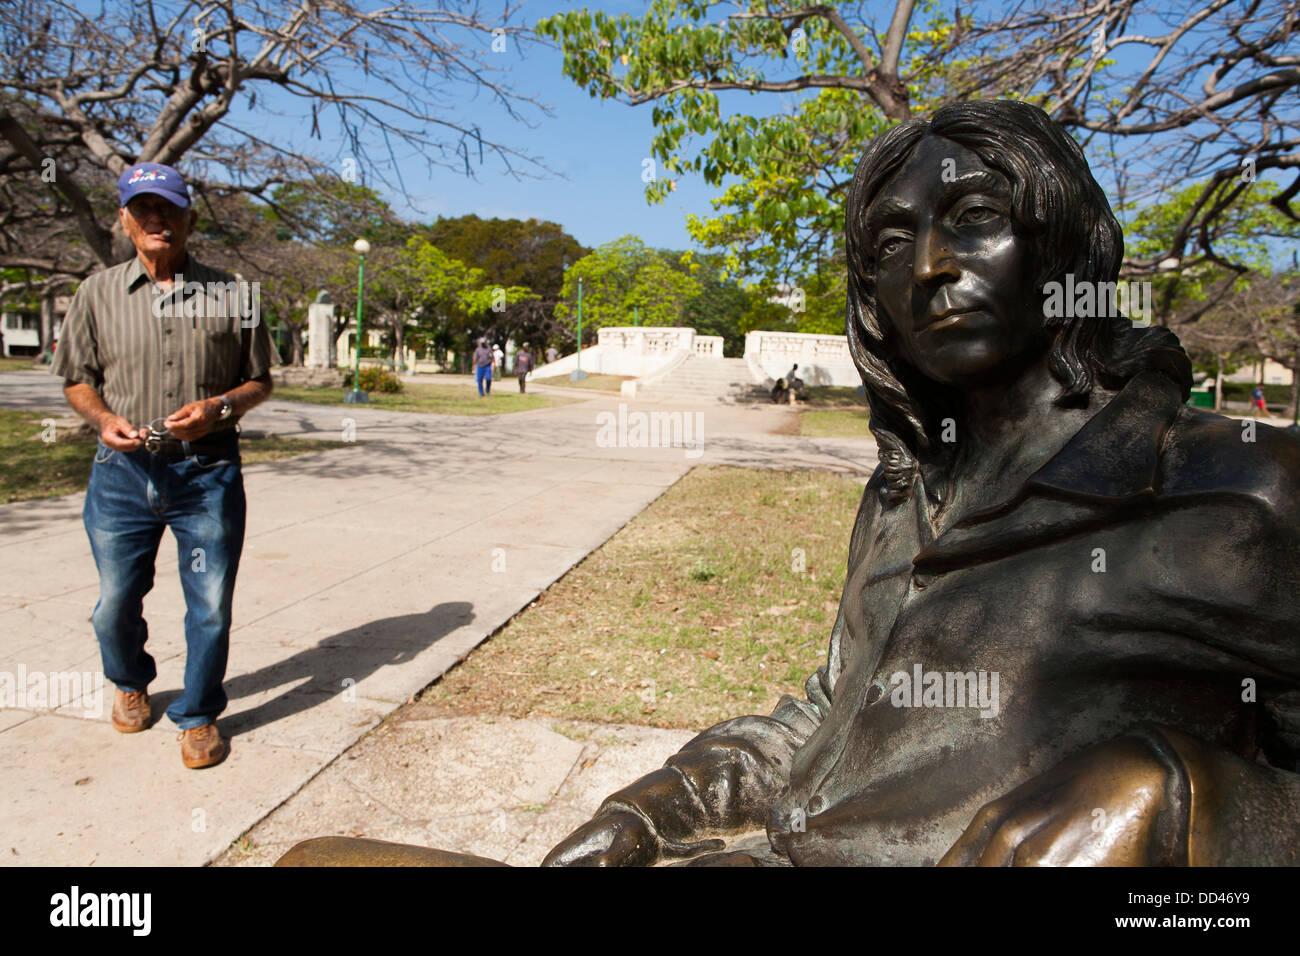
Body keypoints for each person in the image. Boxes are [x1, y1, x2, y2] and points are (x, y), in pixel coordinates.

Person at [542, 100, 1300, 866]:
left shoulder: (1240, 490)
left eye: (976, 214)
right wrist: (657, 808)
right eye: (893, 242)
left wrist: (1177, 799)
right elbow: (832, 714)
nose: (931, 264)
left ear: (1067, 246)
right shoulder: (905, 488)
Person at [53, 161, 276, 769]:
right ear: (124, 220)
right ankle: (130, 680)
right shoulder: (95, 294)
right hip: (122, 474)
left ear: (190, 220)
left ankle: (199, 714)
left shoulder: (236, 295)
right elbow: (77, 380)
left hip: (206, 475)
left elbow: (260, 380)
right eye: (143, 209)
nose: (158, 219)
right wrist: (103, 420)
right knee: (114, 603)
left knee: (209, 603)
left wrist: (220, 407)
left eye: (170, 209)